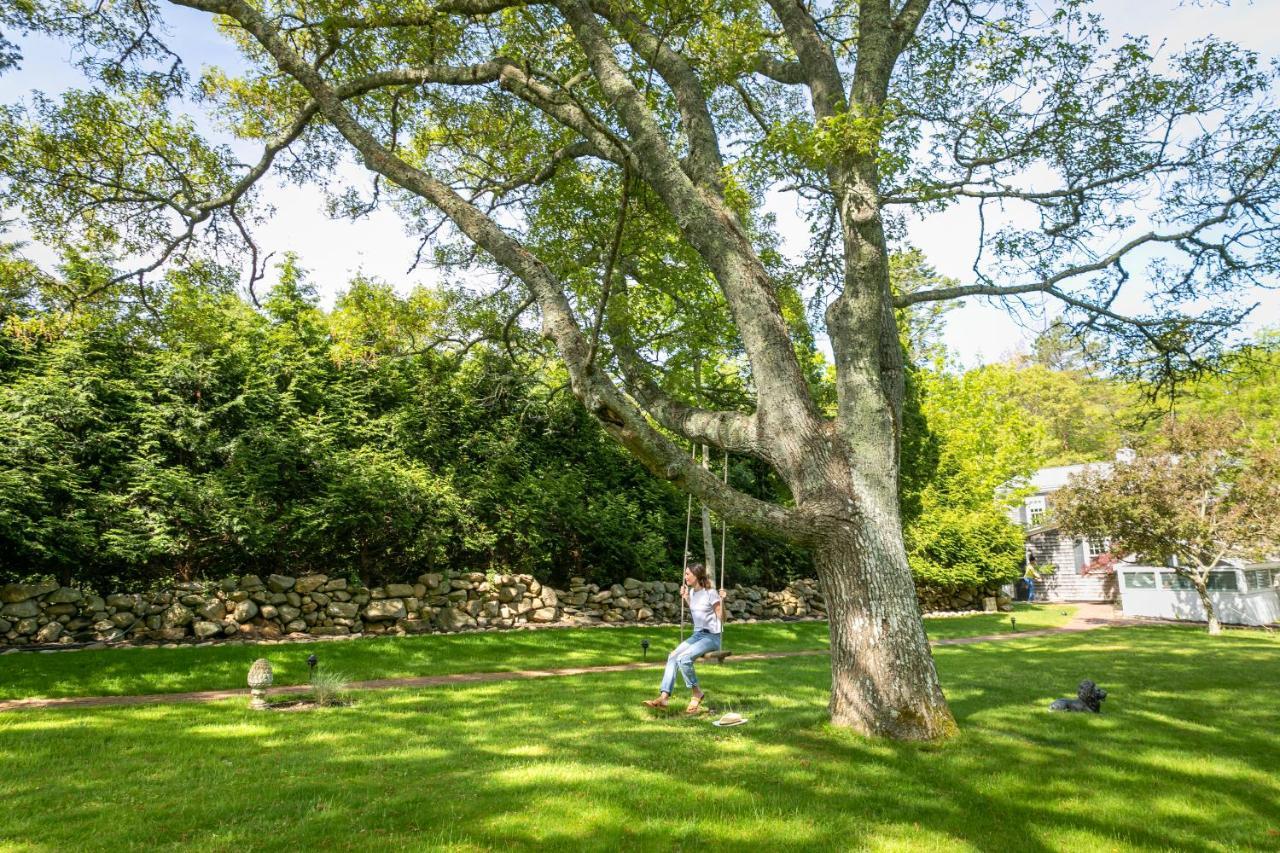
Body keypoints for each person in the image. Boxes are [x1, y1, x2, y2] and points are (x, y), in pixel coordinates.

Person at [643, 562, 726, 713]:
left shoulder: (711, 593)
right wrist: (686, 597)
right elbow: (697, 610)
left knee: (684, 658)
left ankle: (697, 693)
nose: (685, 576)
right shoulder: (694, 592)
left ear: (697, 575)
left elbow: (722, 618)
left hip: (712, 636)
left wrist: (722, 601)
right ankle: (664, 698)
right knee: (673, 656)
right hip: (698, 634)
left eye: (688, 574)